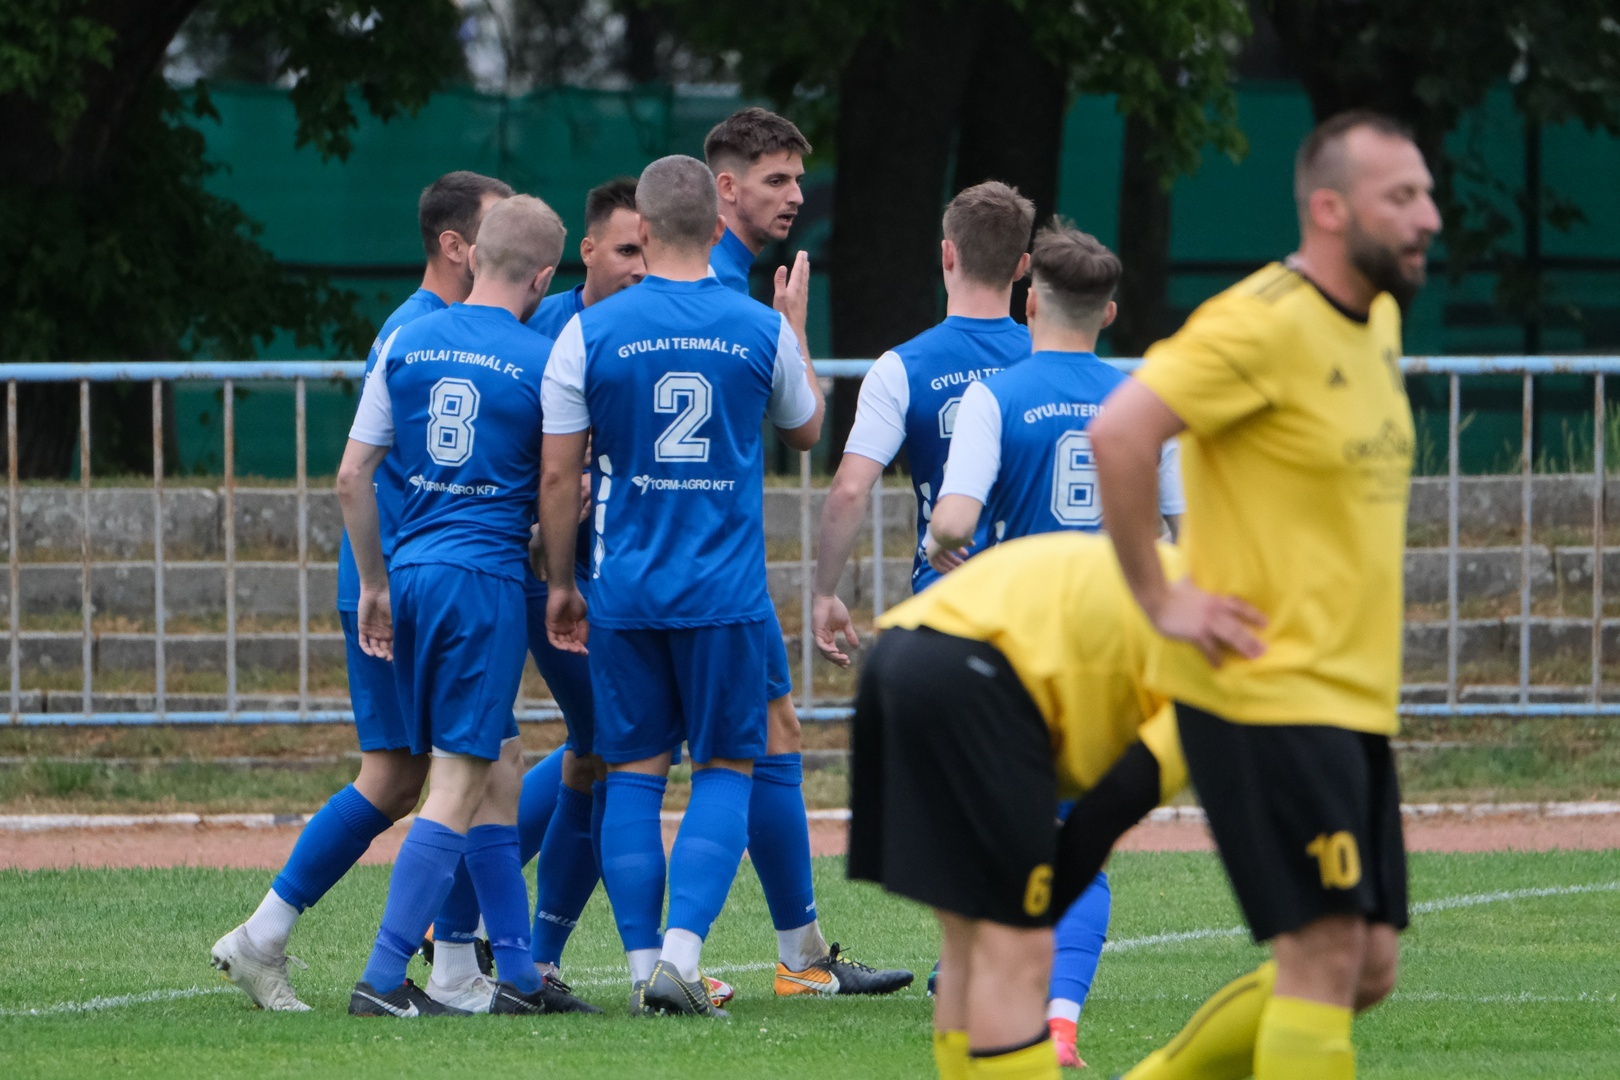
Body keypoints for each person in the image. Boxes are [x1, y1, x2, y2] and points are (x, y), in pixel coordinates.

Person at [1089, 110, 1440, 1080]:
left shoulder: (1376, 319)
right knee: (1323, 956)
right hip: (1266, 690)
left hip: (1348, 697)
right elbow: (1120, 434)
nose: (1429, 217)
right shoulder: (1259, 322)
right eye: (1402, 197)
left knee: (1366, 967)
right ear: (1331, 209)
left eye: (1427, 193)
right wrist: (1160, 598)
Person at [211, 170, 512, 1012]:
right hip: (406, 586)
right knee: (438, 771)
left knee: (425, 774)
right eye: (496, 231)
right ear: (455, 245)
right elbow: (358, 475)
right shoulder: (420, 331)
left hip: (414, 582)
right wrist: (378, 581)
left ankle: (295, 939)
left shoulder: (443, 328)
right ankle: (435, 966)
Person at [538, 154, 824, 1017]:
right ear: (716, 224)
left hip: (624, 588)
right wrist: (793, 328)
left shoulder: (588, 331)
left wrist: (562, 582)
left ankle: (639, 969)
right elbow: (807, 429)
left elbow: (558, 476)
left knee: (631, 774)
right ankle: (683, 957)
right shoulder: (757, 327)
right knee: (727, 769)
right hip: (725, 594)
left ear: (646, 228)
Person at [923, 222, 1184, 1069]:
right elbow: (1186, 530)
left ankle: (982, 997)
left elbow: (956, 518)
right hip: (1112, 640)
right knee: (1080, 838)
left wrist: (940, 543)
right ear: (1107, 312)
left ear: (1030, 303)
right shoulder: (1143, 398)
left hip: (1021, 638)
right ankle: (1060, 1020)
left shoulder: (996, 395)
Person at [340, 194, 598, 1018]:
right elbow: (556, 480)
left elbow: (351, 476)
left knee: (495, 770)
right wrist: (561, 575)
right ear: (545, 276)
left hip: (411, 572)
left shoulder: (405, 339)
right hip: (481, 580)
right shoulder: (543, 358)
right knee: (455, 783)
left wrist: (373, 582)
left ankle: (516, 972)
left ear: (475, 254)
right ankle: (383, 977)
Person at [848, 531, 1189, 1080]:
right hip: (978, 676)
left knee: (968, 940)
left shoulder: (1204, 594)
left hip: (899, 655)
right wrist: (1032, 914)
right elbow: (1106, 814)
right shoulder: (1237, 670)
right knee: (1015, 952)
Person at [704, 107, 913, 996]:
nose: (795, 195)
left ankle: (802, 955)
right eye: (776, 180)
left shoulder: (719, 280)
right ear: (726, 188)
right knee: (605, 761)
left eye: (797, 178)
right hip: (695, 573)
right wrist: (788, 329)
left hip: (705, 568)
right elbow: (803, 427)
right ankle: (476, 927)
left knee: (770, 731)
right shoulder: (718, 290)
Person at [811, 180, 1035, 668]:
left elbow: (849, 490)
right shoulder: (1049, 361)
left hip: (946, 599)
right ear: (1022, 266)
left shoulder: (901, 367)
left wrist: (824, 592)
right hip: (1037, 601)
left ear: (947, 254)